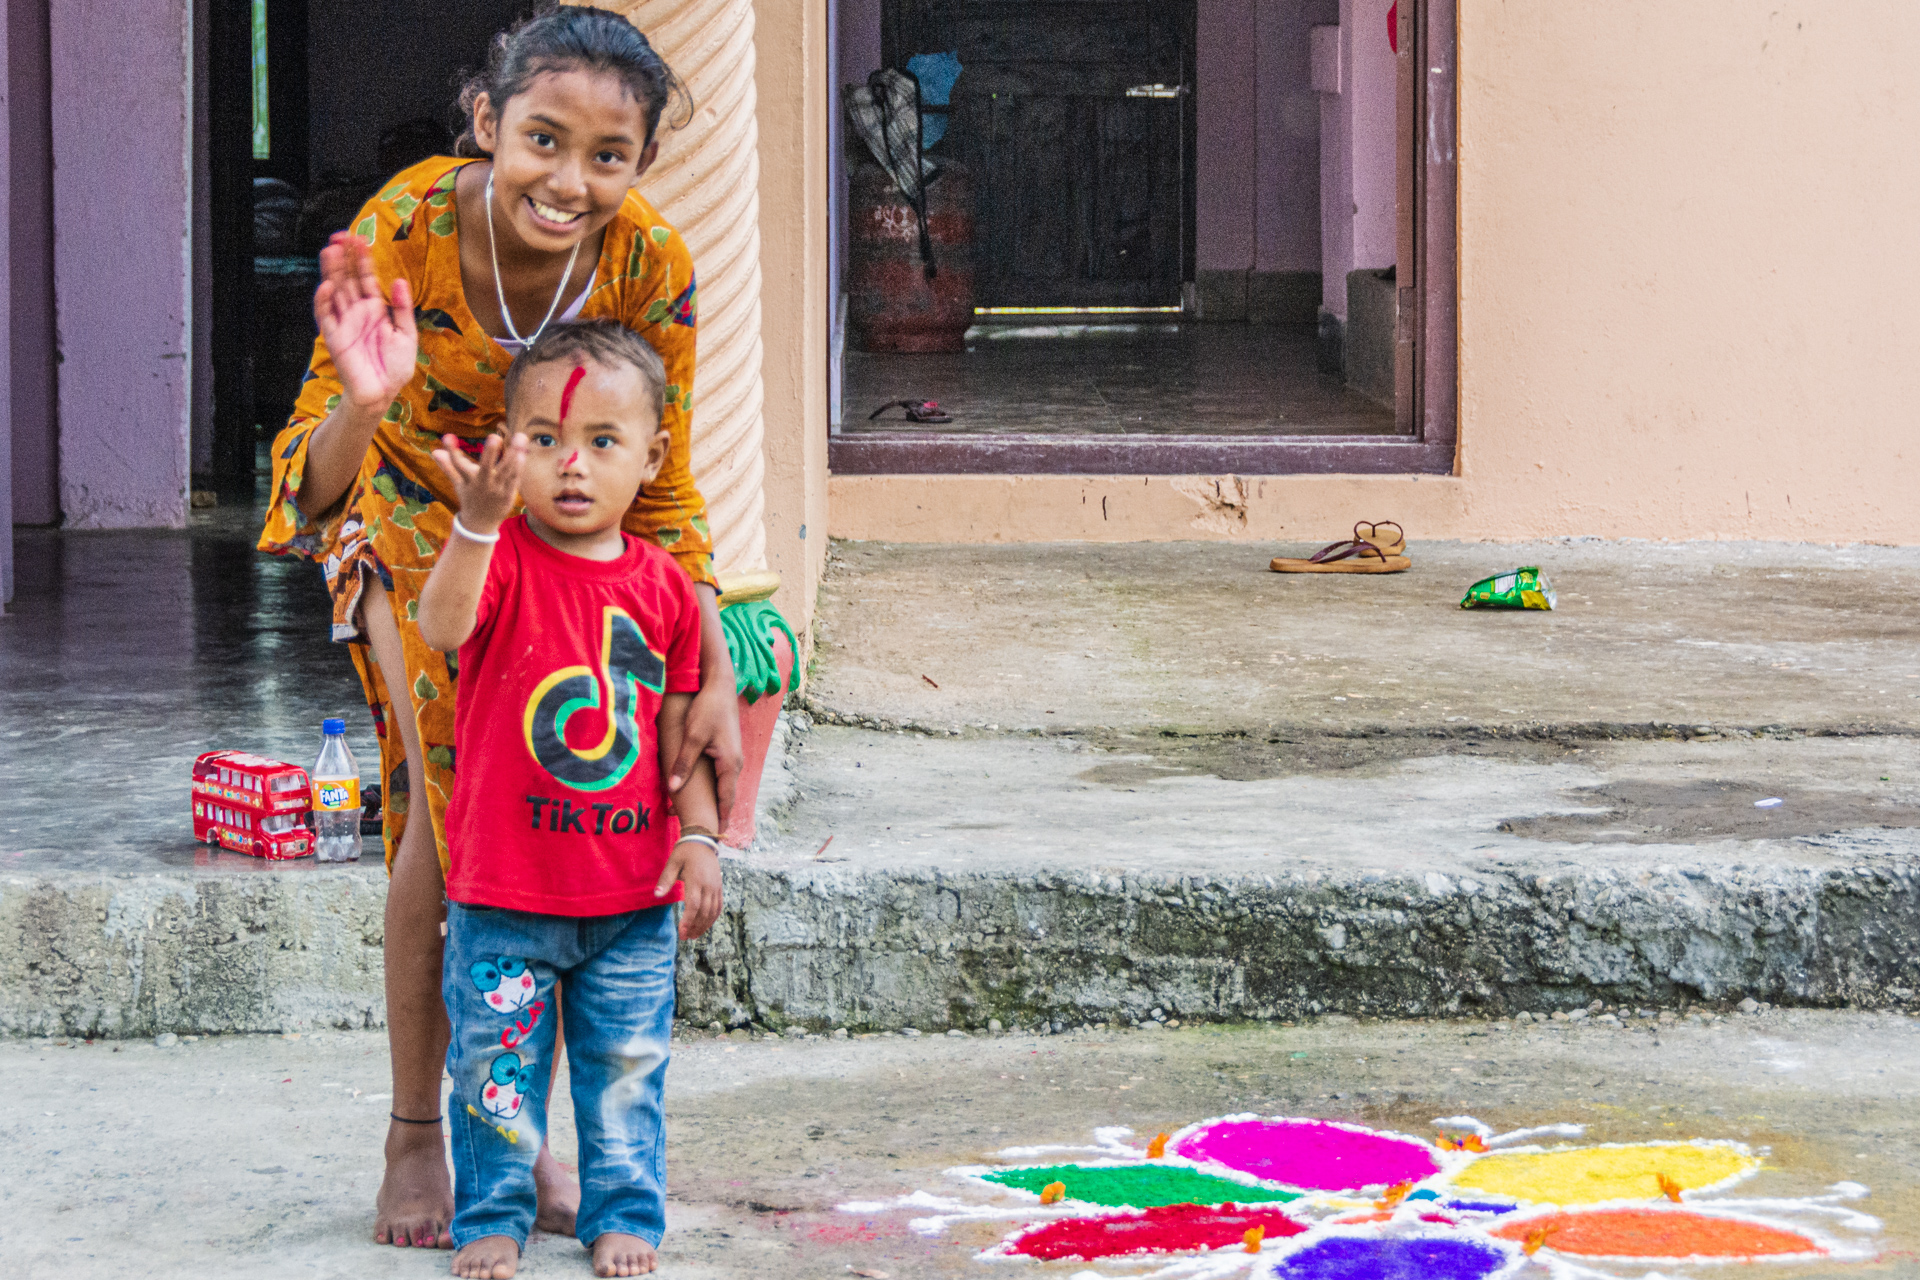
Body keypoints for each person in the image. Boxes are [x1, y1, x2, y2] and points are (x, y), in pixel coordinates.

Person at [255, 6, 742, 1250]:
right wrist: (372, 402)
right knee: (457, 789)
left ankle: (526, 1140)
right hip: (424, 516)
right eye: (542, 138)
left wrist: (711, 658)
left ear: (638, 164)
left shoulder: (650, 264)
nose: (569, 180)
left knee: (587, 794)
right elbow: (313, 485)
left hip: (580, 543)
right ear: (487, 122)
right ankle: (422, 1128)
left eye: (607, 155)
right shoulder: (407, 227)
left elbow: (668, 481)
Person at [417, 318, 721, 1280]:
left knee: (627, 1076)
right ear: (509, 449)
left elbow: (683, 736)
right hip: (506, 897)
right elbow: (440, 623)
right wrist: (473, 521)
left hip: (632, 902)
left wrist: (704, 836)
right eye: (544, 441)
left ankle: (623, 1210)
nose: (572, 466)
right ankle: (491, 1218)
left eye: (602, 441)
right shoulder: (501, 559)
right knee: (494, 1078)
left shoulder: (668, 589)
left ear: (651, 458)